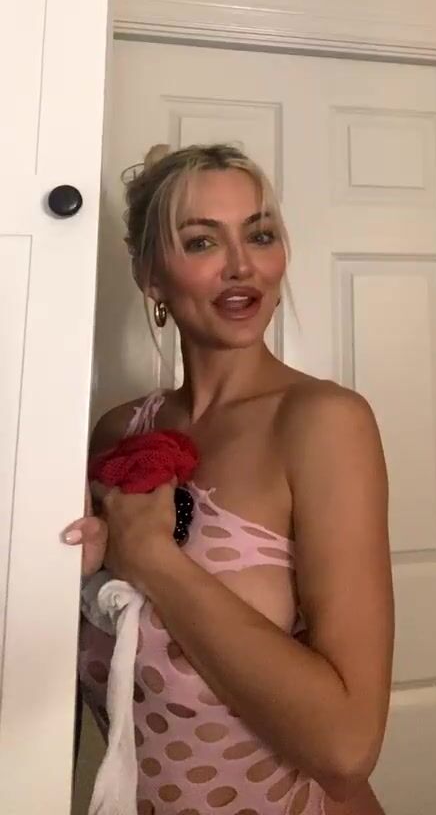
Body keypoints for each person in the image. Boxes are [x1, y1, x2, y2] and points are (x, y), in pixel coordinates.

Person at [63, 143, 393, 815]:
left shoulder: (322, 423)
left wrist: (152, 558)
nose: (242, 265)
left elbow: (346, 746)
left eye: (260, 235)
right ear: (150, 275)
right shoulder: (118, 432)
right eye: (202, 241)